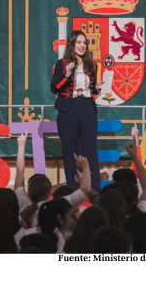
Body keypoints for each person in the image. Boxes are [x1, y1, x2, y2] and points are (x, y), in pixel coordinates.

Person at [51, 30, 105, 192]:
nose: (82, 46)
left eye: (84, 43)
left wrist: (96, 87)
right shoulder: (62, 63)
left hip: (88, 108)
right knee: (70, 150)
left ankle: (93, 187)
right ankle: (73, 188)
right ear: (72, 44)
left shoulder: (91, 65)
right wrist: (66, 75)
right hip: (69, 110)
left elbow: (92, 92)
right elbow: (54, 88)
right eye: (79, 42)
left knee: (90, 149)